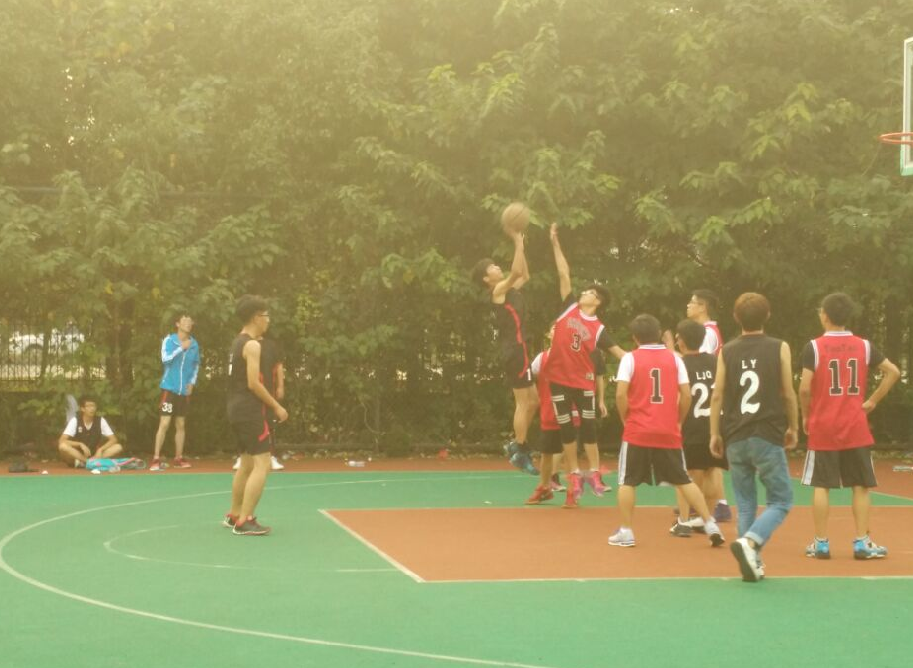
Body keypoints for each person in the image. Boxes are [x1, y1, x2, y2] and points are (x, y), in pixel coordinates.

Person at [798, 293, 900, 560]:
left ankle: (821, 543)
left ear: (825, 315)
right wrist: (873, 400)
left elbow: (804, 388)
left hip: (823, 426)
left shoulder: (814, 347)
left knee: (822, 485)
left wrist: (806, 416)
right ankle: (862, 542)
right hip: (855, 425)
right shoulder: (864, 346)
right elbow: (893, 371)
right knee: (861, 485)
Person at [610, 314, 724, 548]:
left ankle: (626, 531)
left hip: (638, 430)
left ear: (635, 337)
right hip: (667, 430)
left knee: (627, 481)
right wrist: (678, 420)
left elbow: (621, 394)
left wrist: (625, 418)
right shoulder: (675, 359)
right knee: (683, 479)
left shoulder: (630, 358)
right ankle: (710, 523)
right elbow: (686, 395)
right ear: (659, 334)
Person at [710, 292, 799, 582]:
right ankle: (751, 543)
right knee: (781, 500)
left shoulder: (727, 350)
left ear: (736, 318)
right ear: (768, 315)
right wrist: (793, 427)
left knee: (746, 503)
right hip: (766, 432)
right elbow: (788, 393)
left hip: (735, 434)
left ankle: (752, 563)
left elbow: (717, 394)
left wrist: (714, 432)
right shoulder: (779, 347)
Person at [546, 224, 624, 508]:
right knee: (566, 430)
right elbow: (563, 273)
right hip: (558, 378)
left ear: (597, 301)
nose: (584, 292)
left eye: (590, 292)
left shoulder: (598, 328)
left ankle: (594, 473)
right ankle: (574, 475)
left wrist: (650, 360)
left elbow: (620, 353)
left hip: (583, 381)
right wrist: (555, 243)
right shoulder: (569, 307)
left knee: (588, 429)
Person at [471, 229, 539, 475]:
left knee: (534, 401)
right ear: (486, 279)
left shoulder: (510, 290)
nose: (497, 267)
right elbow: (517, 273)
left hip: (521, 349)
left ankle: (516, 443)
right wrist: (518, 242)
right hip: (514, 351)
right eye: (492, 267)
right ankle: (520, 450)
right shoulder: (498, 291)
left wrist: (522, 247)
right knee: (523, 402)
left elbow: (524, 274)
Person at [224, 295, 289, 536]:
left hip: (235, 408)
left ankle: (234, 514)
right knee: (263, 463)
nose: (268, 320)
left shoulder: (236, 342)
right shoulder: (252, 345)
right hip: (250, 410)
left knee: (246, 463)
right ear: (255, 317)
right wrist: (276, 406)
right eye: (265, 315)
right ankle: (245, 520)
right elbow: (253, 383)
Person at [525, 342, 610, 505]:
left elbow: (588, 380)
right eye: (554, 330)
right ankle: (544, 487)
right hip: (549, 413)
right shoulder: (541, 358)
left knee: (570, 455)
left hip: (569, 413)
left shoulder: (575, 358)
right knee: (547, 453)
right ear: (550, 335)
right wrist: (535, 397)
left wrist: (597, 400)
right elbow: (528, 379)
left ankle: (572, 491)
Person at [670, 319, 729, 537]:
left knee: (685, 476)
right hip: (716, 426)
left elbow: (679, 396)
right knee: (712, 470)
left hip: (691, 426)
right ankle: (707, 518)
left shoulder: (680, 364)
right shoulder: (716, 361)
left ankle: (684, 521)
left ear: (681, 341)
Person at [150, 313, 200, 471]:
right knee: (164, 423)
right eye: (185, 321)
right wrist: (181, 348)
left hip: (183, 391)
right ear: (177, 324)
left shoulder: (194, 344)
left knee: (181, 424)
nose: (188, 323)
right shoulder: (169, 340)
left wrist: (192, 383)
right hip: (169, 389)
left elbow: (196, 365)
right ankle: (156, 459)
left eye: (190, 321)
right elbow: (165, 359)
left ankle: (178, 458)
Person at [233, 332, 286, 472]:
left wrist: (280, 386)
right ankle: (242, 456)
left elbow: (279, 366)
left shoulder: (271, 346)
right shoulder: (243, 344)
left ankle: (271, 456)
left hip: (267, 391)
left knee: (269, 423)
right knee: (245, 425)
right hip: (248, 395)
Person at [58, 396, 123, 467]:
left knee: (118, 447)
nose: (92, 409)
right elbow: (62, 440)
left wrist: (101, 449)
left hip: (95, 454)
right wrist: (80, 444)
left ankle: (90, 462)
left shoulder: (100, 420)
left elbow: (113, 439)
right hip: (78, 455)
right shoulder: (75, 420)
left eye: (93, 406)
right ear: (82, 409)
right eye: (88, 406)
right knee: (63, 446)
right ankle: (87, 462)